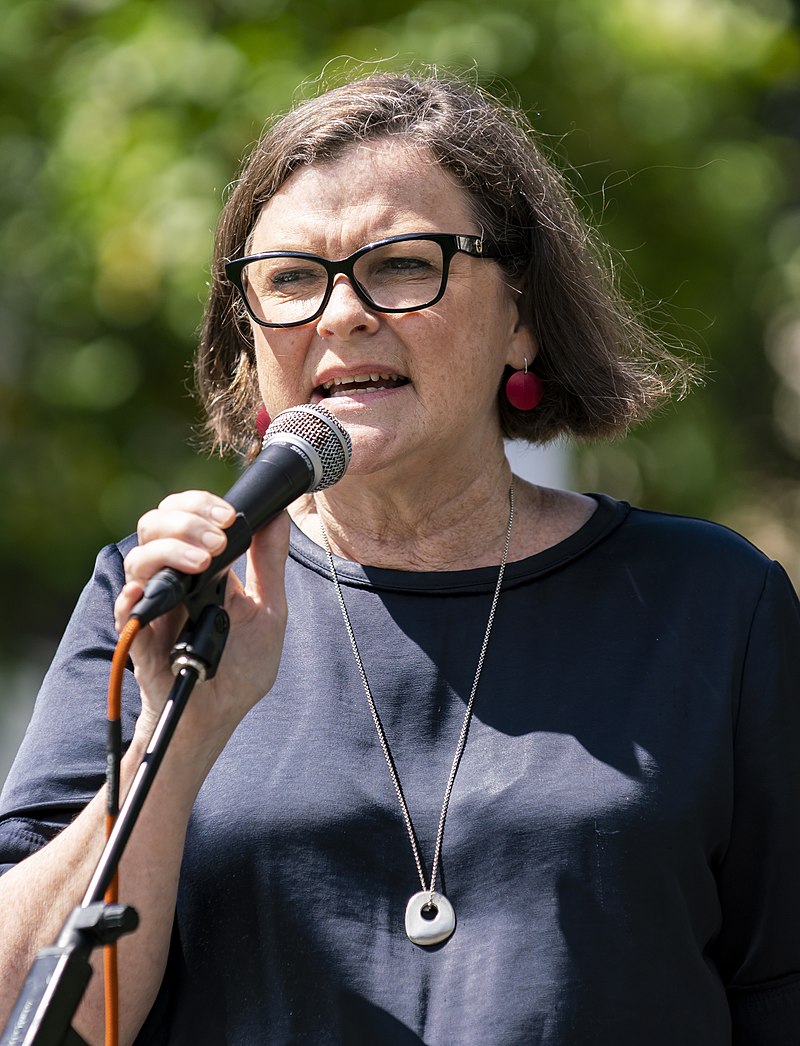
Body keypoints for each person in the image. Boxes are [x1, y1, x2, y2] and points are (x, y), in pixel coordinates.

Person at [1, 70, 799, 1046]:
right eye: (290, 276)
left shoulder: (713, 602)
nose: (339, 313)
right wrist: (173, 733)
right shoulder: (161, 599)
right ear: (248, 340)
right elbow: (38, 1011)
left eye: (399, 263)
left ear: (522, 315)